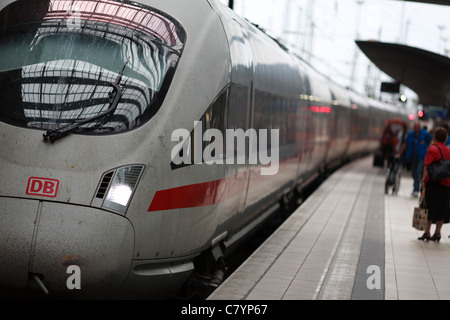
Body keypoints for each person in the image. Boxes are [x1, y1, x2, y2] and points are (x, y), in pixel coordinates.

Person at [418, 127, 450, 241]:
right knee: (442, 208)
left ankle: (427, 232)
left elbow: (427, 165)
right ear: (445, 138)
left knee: (430, 207)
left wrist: (423, 180)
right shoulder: (448, 150)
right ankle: (437, 233)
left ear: (434, 137)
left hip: (433, 182)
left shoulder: (432, 149)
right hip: (446, 183)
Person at [398, 121, 432, 197]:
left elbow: (432, 141)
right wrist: (400, 153)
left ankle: (416, 189)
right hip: (412, 157)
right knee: (413, 173)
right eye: (415, 127)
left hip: (422, 157)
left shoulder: (425, 134)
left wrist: (429, 151)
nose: (416, 128)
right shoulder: (410, 134)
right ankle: (416, 186)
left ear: (420, 127)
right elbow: (405, 144)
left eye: (417, 127)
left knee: (418, 171)